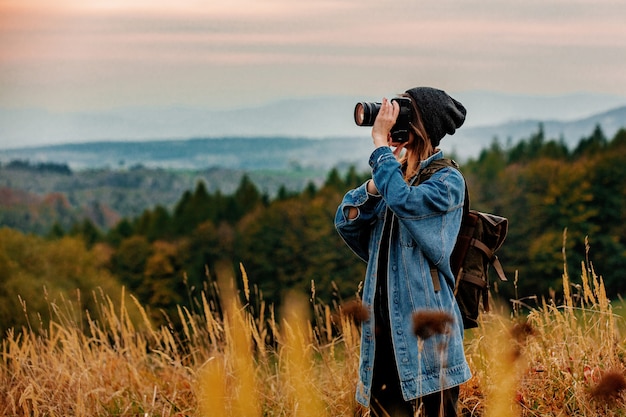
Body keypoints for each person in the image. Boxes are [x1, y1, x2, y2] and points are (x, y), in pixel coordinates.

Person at [335, 87, 472, 417]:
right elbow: (347, 221)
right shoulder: (397, 179)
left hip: (428, 341)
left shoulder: (447, 181)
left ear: (422, 125)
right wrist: (375, 182)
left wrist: (381, 150)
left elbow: (406, 204)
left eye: (405, 114)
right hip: (384, 338)